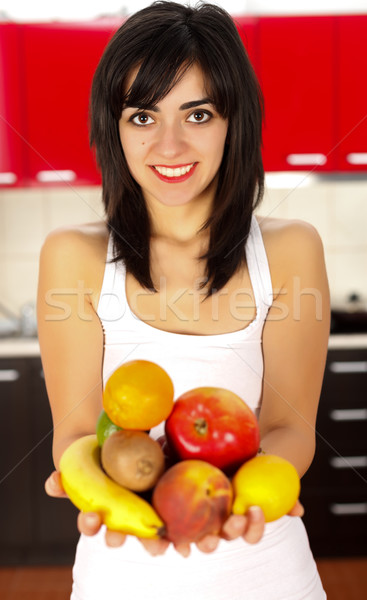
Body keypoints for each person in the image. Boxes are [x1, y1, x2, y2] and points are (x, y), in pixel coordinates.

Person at [37, 2, 330, 598]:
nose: (168, 145)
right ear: (114, 130)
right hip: (120, 573)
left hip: (265, 569)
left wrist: (234, 501)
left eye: (197, 113)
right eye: (142, 117)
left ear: (233, 120)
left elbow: (288, 427)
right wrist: (99, 481)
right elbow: (74, 434)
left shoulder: (291, 250)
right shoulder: (73, 255)